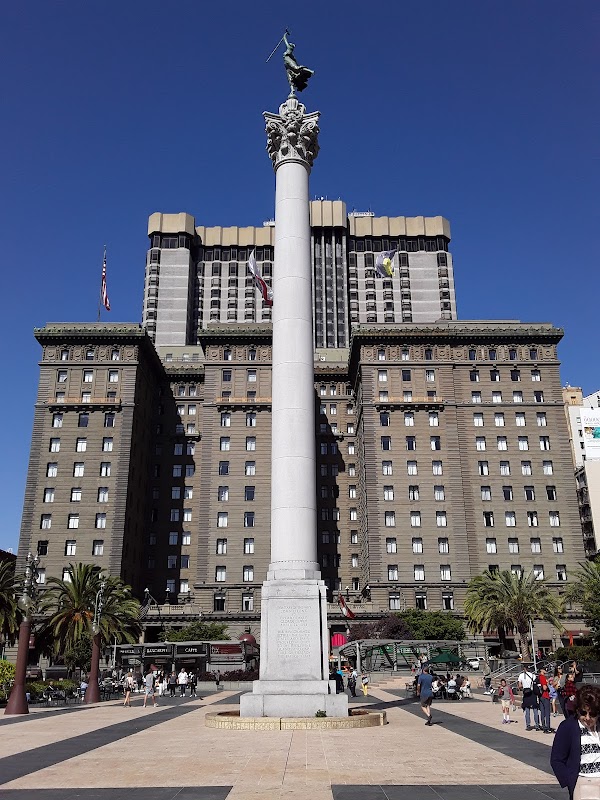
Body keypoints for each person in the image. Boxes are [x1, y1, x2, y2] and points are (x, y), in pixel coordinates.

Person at [551, 684, 600, 800]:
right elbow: (556, 759)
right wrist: (570, 780)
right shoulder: (568, 727)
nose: (587, 718)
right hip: (582, 780)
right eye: (583, 713)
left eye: (592, 714)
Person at [518, 666, 541, 731]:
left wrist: (524, 686)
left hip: (526, 693)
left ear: (524, 669)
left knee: (527, 710)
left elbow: (519, 686)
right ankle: (537, 725)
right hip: (533, 693)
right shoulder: (533, 676)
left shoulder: (521, 675)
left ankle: (528, 725)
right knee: (535, 710)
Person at [538, 667, 555, 734]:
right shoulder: (542, 677)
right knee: (547, 712)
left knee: (542, 712)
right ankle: (547, 727)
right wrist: (547, 686)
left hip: (540, 696)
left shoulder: (538, 677)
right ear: (541, 670)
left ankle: (543, 726)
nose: (546, 670)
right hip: (545, 696)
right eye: (544, 669)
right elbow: (544, 688)